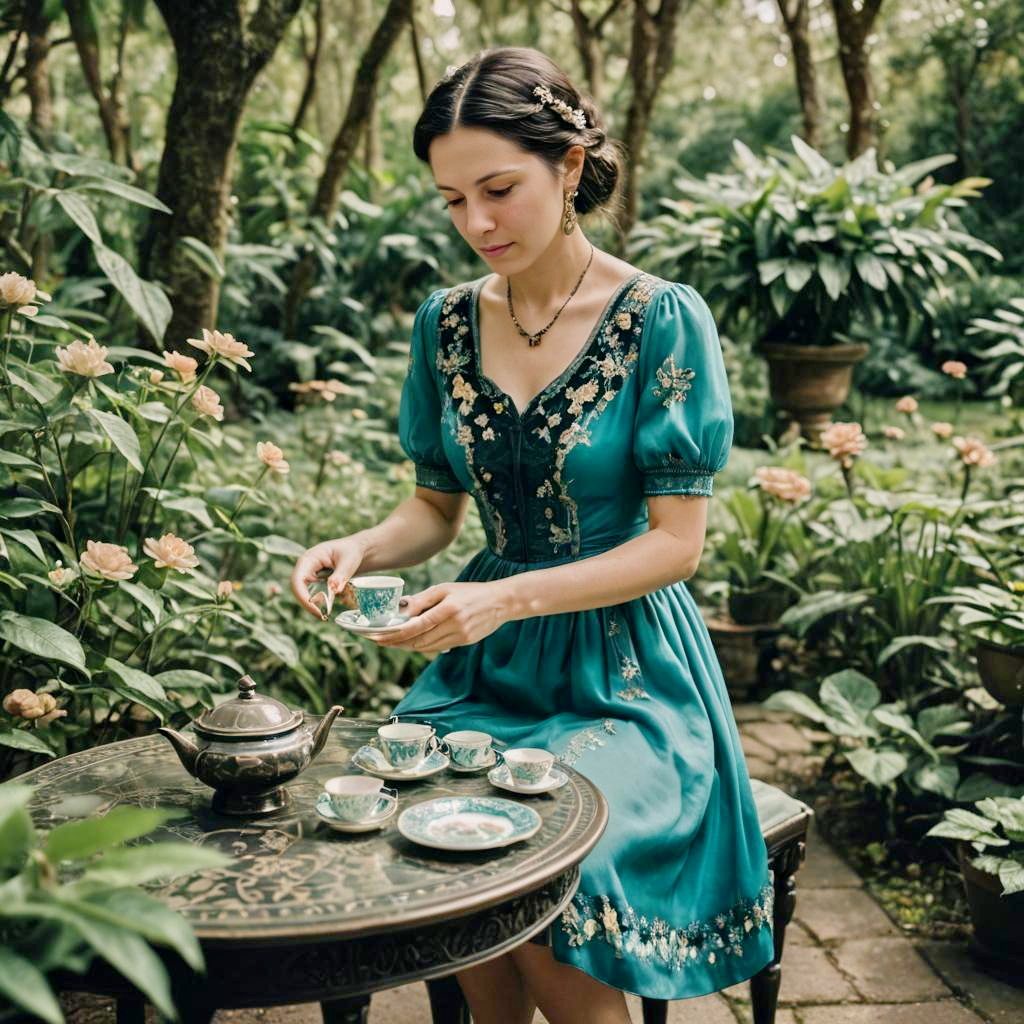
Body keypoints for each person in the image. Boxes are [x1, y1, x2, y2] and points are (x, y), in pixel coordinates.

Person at [291, 46, 773, 1024]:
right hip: (486, 669)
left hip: (628, 674)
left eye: (499, 188)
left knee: (554, 880)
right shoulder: (446, 327)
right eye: (451, 199)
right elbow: (433, 509)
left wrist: (502, 595)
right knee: (432, 848)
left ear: (571, 162)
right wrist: (358, 549)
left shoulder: (660, 320)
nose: (475, 223)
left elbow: (677, 547)